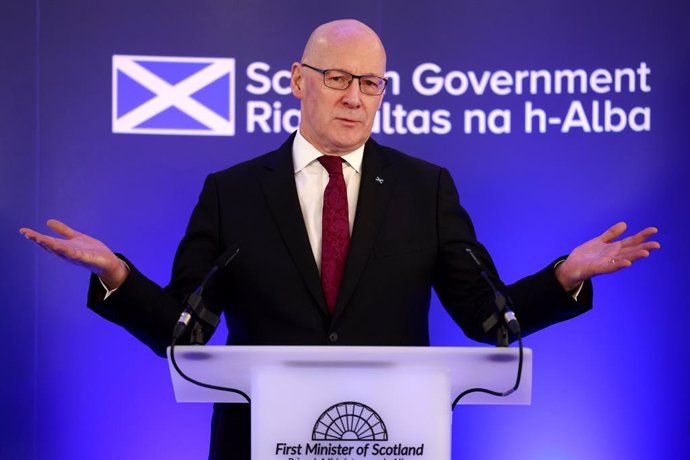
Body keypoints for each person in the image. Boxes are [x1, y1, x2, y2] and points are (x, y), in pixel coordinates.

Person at [20, 19, 659, 460]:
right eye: (338, 79)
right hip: (258, 445)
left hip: (392, 440)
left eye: (371, 83)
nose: (356, 99)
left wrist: (565, 278)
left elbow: (488, 317)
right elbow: (185, 331)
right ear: (298, 79)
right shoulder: (233, 192)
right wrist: (117, 277)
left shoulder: (424, 189)